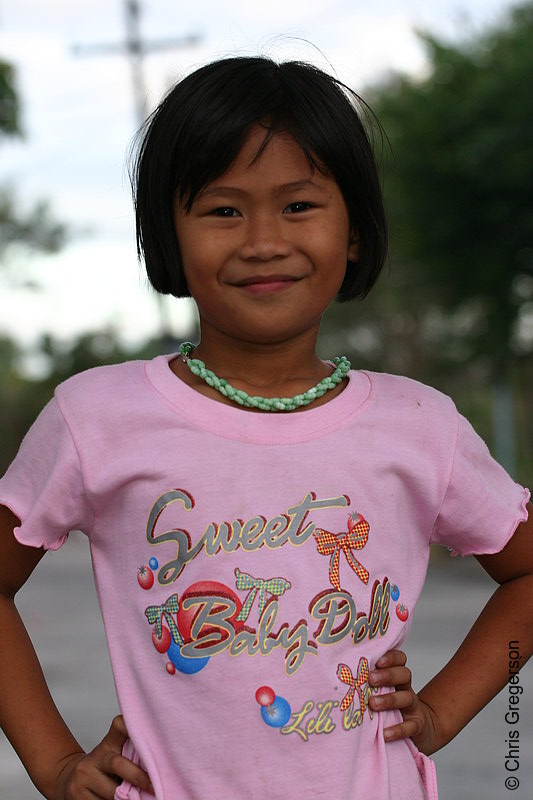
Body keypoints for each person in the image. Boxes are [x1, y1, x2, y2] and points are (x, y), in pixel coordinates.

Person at [0, 56, 531, 800]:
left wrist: (441, 712)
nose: (261, 241)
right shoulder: (95, 418)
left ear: (353, 231)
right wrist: (54, 764)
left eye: (298, 206)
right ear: (168, 235)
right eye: (222, 210)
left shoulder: (419, 425)